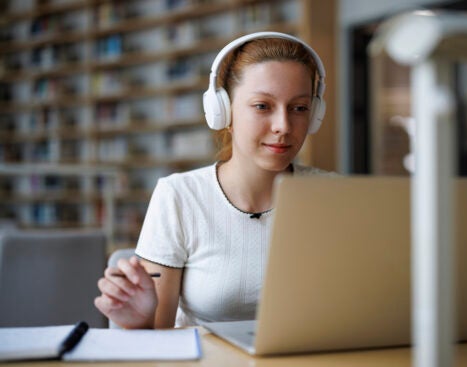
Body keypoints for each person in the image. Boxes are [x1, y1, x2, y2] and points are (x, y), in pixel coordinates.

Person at [94, 32, 330, 329]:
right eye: (262, 106)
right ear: (224, 111)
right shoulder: (179, 196)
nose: (283, 126)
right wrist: (141, 321)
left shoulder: (333, 196)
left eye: (299, 108)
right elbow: (157, 338)